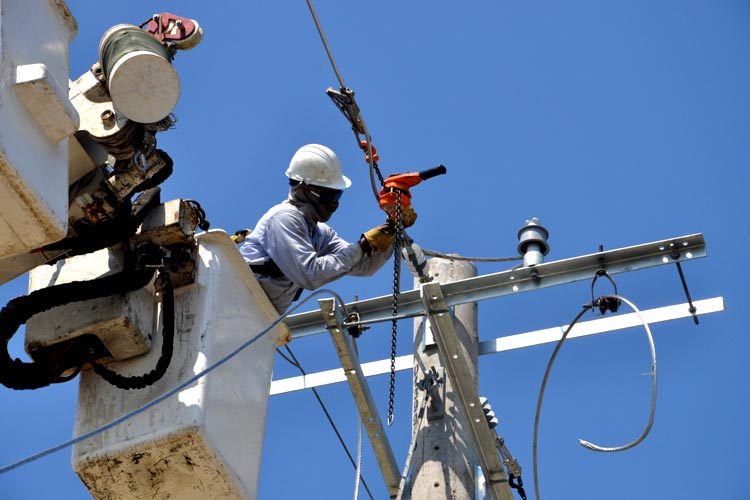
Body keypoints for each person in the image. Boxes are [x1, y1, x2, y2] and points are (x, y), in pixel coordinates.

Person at [239, 144, 399, 312]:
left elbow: (364, 265)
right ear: (303, 188)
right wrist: (362, 246)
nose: (334, 203)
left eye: (337, 195)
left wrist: (393, 227)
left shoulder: (319, 233)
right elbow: (310, 275)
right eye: (329, 195)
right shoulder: (284, 218)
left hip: (257, 318)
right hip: (236, 302)